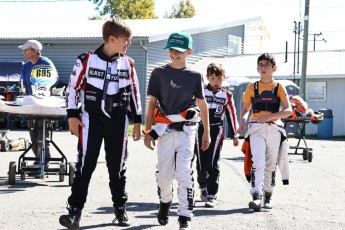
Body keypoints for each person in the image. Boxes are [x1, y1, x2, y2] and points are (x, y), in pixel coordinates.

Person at [59, 18, 142, 229]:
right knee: (86, 165)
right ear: (112, 39)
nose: (128, 44)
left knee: (117, 168)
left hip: (119, 121)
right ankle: (75, 212)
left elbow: (134, 92)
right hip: (91, 119)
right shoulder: (86, 60)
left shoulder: (128, 63)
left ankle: (120, 209)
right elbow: (71, 89)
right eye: (126, 40)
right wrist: (71, 115)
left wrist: (138, 120)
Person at [144, 31, 210, 230]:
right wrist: (148, 131)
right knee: (164, 176)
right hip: (164, 131)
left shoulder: (195, 76)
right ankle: (165, 202)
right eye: (171, 49)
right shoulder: (158, 73)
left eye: (179, 51)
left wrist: (206, 132)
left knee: (183, 171)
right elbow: (151, 104)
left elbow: (202, 104)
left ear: (189, 51)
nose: (174, 54)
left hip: (187, 131)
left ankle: (185, 215)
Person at [237, 53, 292, 212]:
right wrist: (242, 121)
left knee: (270, 164)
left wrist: (271, 116)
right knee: (258, 162)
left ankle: (268, 195)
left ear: (274, 68)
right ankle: (256, 195)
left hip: (275, 128)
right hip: (256, 128)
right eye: (260, 65)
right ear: (257, 68)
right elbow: (246, 109)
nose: (262, 68)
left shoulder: (279, 87)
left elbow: (288, 110)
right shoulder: (251, 87)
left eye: (266, 65)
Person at [194, 63, 239, 208]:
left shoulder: (227, 95)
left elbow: (231, 115)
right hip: (199, 129)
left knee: (212, 162)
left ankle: (212, 194)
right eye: (212, 77)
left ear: (223, 78)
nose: (215, 81)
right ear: (207, 78)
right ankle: (203, 187)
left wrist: (235, 135)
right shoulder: (200, 92)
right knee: (201, 163)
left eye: (219, 78)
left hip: (217, 130)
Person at [18, 39, 58, 167]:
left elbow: (53, 80)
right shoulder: (26, 66)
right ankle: (38, 160)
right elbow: (24, 85)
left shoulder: (46, 63)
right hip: (31, 103)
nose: (23, 51)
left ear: (34, 51)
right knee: (33, 132)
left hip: (45, 103)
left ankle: (44, 160)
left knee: (43, 132)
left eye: (26, 49)